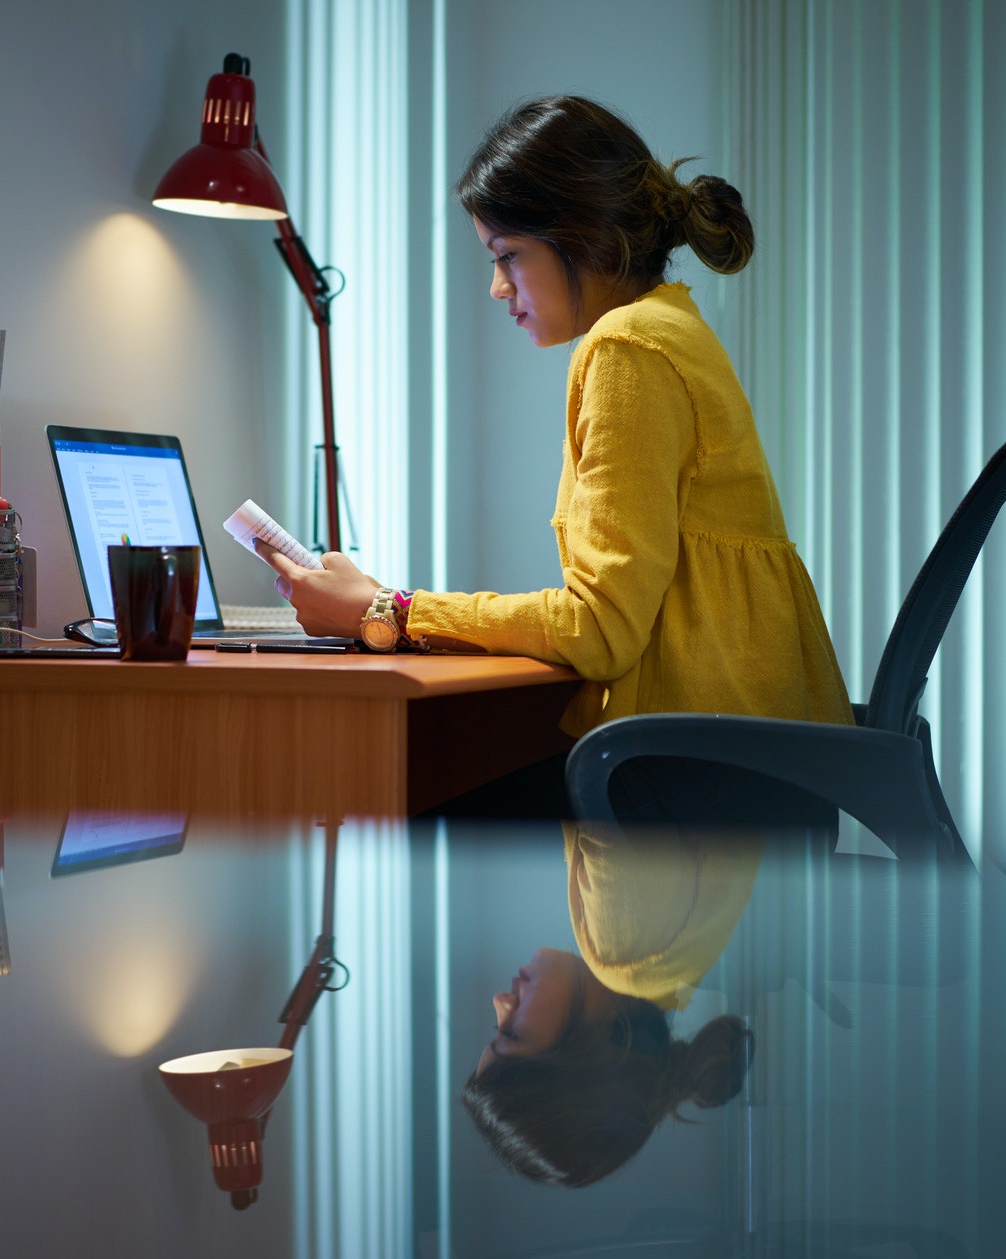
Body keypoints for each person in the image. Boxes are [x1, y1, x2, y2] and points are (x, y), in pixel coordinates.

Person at [262, 95, 854, 813]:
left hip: (700, 777)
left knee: (390, 804)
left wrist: (388, 608)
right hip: (755, 763)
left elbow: (599, 629)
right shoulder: (673, 325)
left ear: (583, 235)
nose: (497, 287)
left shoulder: (627, 347)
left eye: (508, 255)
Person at [465, 822, 762, 1187]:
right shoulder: (622, 951)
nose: (500, 1001)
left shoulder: (664, 985)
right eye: (511, 1032)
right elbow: (607, 781)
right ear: (586, 1053)